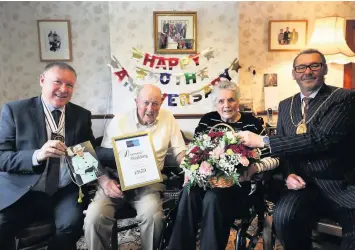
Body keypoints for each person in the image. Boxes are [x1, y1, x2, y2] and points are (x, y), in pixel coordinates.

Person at [237, 48, 355, 250]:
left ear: (324, 69)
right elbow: (283, 152)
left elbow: (320, 139)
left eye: (314, 65)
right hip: (302, 186)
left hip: (339, 185)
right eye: (301, 67)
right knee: (284, 218)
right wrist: (288, 174)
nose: (307, 71)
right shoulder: (285, 105)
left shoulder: (344, 98)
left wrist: (264, 140)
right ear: (293, 73)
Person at [167, 80, 279, 250]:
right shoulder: (208, 120)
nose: (226, 105)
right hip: (207, 182)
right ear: (215, 103)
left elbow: (272, 155)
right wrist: (191, 169)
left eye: (231, 100)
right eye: (221, 101)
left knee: (213, 198)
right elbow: (194, 152)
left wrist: (255, 167)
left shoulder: (251, 123)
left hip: (239, 188)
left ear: (238, 101)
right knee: (189, 192)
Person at [0, 62, 98, 250]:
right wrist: (36, 155)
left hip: (64, 190)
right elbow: (2, 156)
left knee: (70, 225)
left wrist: (115, 160)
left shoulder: (81, 115)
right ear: (42, 80)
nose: (63, 89)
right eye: (58, 82)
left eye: (69, 85)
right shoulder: (15, 111)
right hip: (23, 190)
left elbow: (89, 152)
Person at [84, 84, 186, 250]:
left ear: (162, 102)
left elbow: (180, 151)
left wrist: (189, 167)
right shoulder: (120, 119)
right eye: (146, 103)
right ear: (136, 101)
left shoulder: (168, 119)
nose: (150, 108)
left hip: (148, 184)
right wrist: (106, 182)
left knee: (153, 216)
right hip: (115, 180)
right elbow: (102, 155)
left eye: (155, 104)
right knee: (94, 217)